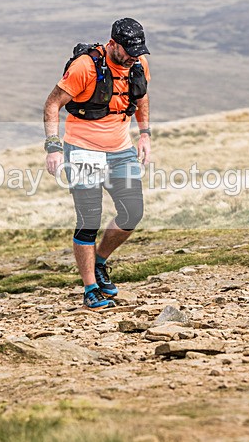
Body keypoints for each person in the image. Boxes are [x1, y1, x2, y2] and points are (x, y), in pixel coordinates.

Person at [43, 18, 152, 311]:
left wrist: (145, 135)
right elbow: (52, 104)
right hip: (83, 151)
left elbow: (141, 97)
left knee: (132, 213)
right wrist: (53, 147)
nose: (133, 57)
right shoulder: (85, 67)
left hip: (121, 150)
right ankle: (90, 288)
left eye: (137, 51)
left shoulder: (138, 64)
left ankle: (100, 261)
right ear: (112, 43)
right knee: (89, 220)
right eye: (127, 51)